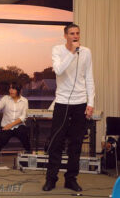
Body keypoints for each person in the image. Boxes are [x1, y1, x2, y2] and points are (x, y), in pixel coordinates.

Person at [42, 24, 95, 192]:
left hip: (80, 103)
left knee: (76, 143)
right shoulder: (57, 50)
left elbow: (89, 78)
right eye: (72, 33)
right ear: (65, 35)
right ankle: (51, 179)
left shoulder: (86, 52)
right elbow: (58, 70)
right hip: (63, 102)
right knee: (56, 142)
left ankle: (71, 179)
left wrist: (91, 102)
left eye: (78, 33)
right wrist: (72, 52)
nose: (75, 36)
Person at [0, 82, 30, 164]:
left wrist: (11, 125)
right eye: (10, 88)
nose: (10, 90)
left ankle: (30, 156)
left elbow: (23, 117)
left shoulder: (24, 101)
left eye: (13, 89)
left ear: (18, 90)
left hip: (19, 125)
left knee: (26, 139)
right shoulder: (6, 98)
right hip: (6, 125)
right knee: (1, 141)